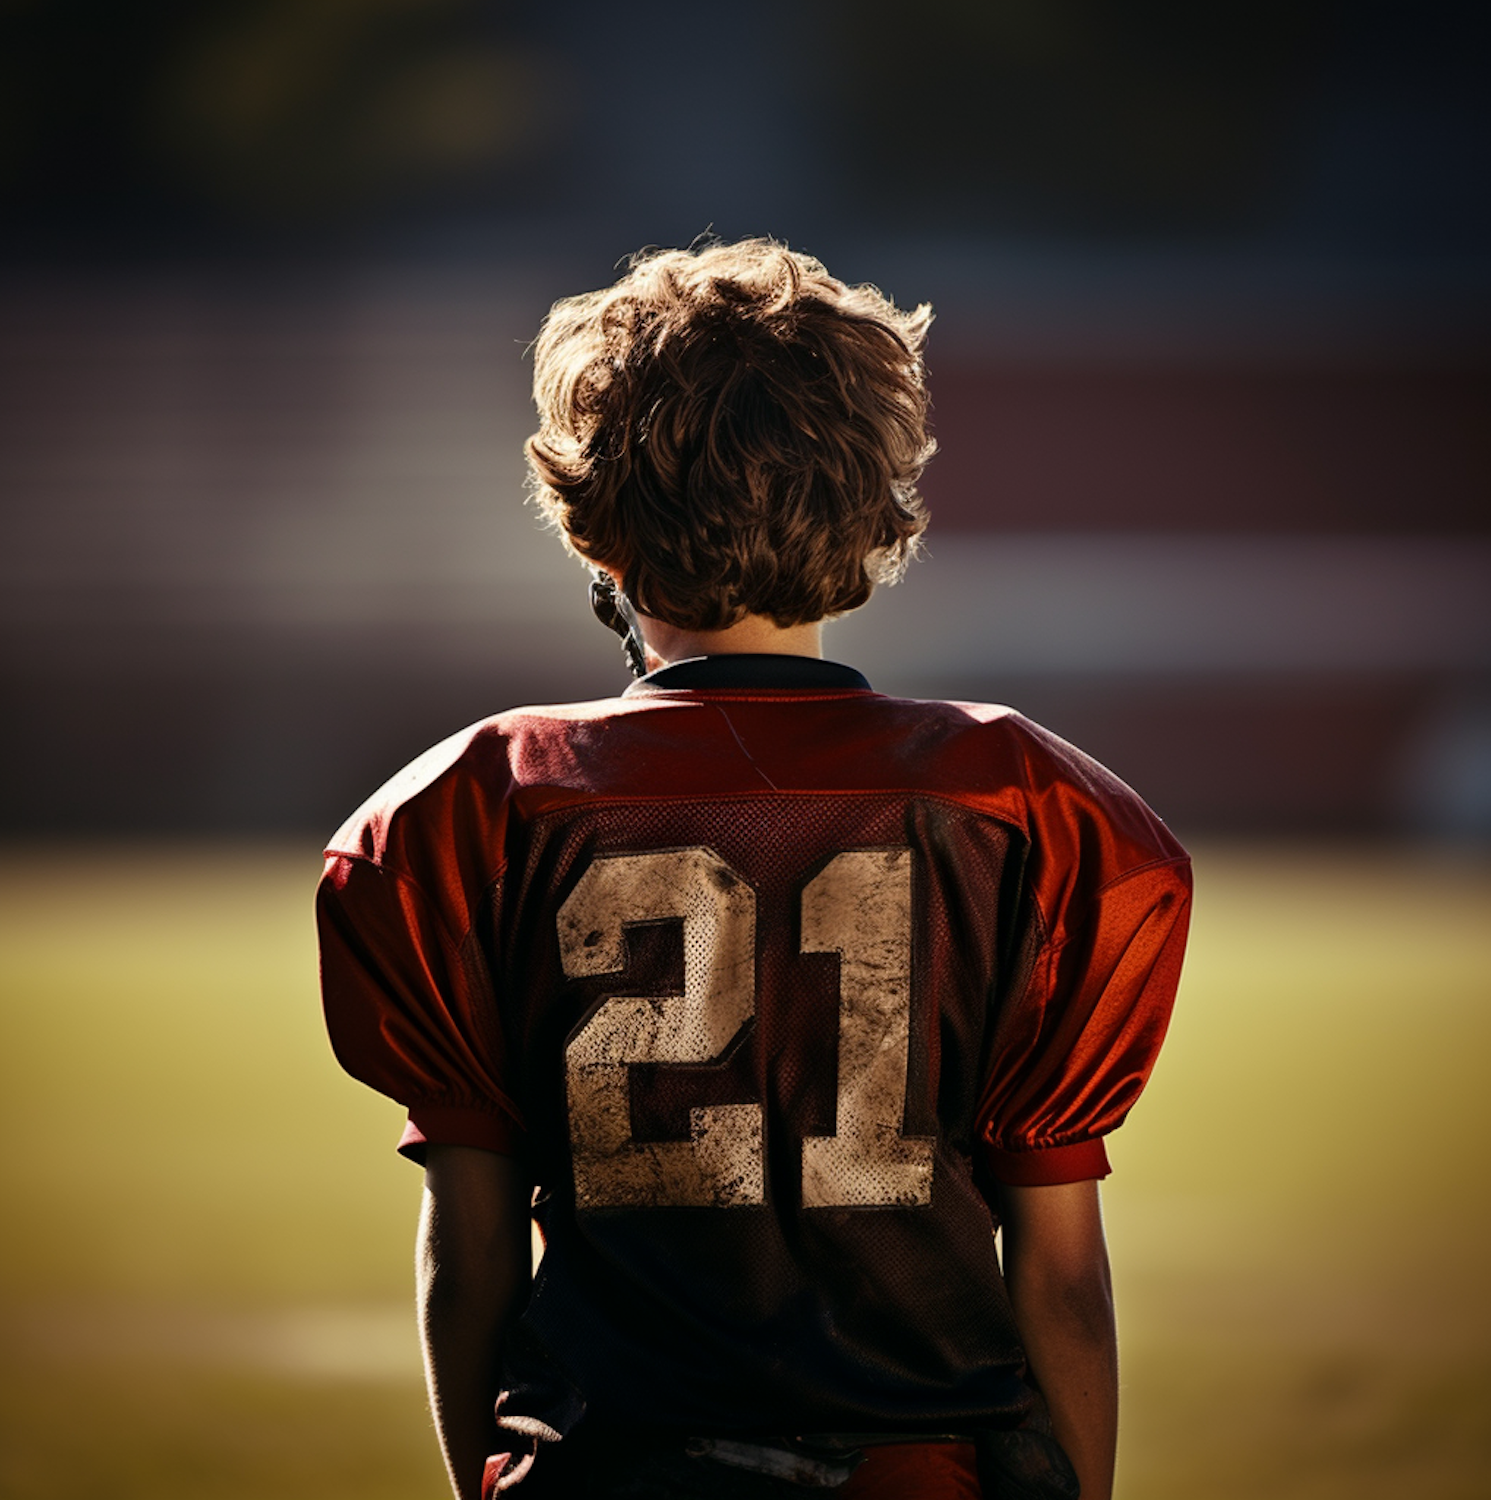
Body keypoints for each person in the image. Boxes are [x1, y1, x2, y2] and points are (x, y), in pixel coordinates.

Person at [316, 239, 1191, 1500]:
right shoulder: (1023, 804)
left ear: (597, 526)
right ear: (870, 504)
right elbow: (1058, 1277)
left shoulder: (482, 805)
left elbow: (476, 1254)